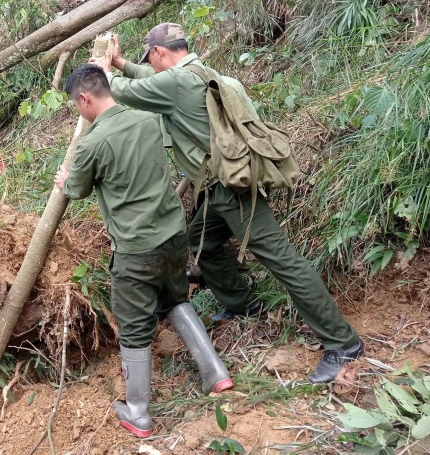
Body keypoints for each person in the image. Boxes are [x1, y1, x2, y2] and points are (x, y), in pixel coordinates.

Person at [89, 23, 363, 384]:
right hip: (222, 190)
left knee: (284, 262)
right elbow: (148, 80)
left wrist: (104, 72)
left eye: (149, 60)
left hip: (231, 192)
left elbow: (128, 93)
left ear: (158, 53)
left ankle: (342, 343)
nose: (150, 66)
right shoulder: (204, 73)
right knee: (201, 241)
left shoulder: (175, 83)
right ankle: (241, 303)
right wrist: (122, 63)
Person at [55, 64, 233, 439]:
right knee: (175, 299)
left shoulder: (92, 143)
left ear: (84, 99)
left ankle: (137, 412)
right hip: (173, 235)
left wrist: (64, 181)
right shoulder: (149, 121)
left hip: (136, 250)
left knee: (135, 326)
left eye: (76, 105)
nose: (78, 112)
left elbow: (77, 189)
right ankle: (215, 372)